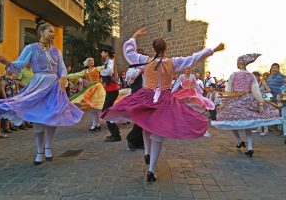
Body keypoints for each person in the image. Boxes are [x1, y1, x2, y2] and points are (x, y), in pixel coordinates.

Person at [101, 27, 224, 182]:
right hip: (164, 99)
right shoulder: (174, 62)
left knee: (146, 124)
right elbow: (194, 58)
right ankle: (151, 170)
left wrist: (134, 37)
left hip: (147, 96)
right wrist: (213, 49)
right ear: (166, 49)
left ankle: (147, 153)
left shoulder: (145, 61)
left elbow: (129, 53)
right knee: (157, 133)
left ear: (153, 49)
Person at [0, 22, 83, 165]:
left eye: (53, 31)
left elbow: (62, 68)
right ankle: (39, 151)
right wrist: (5, 61)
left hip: (54, 87)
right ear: (41, 33)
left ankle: (48, 147)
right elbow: (19, 65)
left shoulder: (56, 51)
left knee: (52, 116)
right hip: (38, 85)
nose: (53, 33)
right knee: (38, 119)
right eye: (50, 31)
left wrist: (62, 77)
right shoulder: (31, 48)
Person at [212, 53, 282, 157]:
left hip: (235, 100)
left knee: (229, 120)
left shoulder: (234, 74)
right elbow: (256, 91)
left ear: (239, 63)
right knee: (247, 124)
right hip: (248, 100)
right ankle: (249, 147)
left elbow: (228, 90)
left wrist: (224, 103)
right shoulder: (251, 75)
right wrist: (260, 103)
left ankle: (240, 141)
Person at [67, 57, 105, 131]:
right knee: (92, 108)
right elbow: (76, 75)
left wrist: (111, 59)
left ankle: (97, 123)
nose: (92, 61)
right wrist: (65, 75)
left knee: (97, 107)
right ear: (87, 62)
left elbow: (107, 66)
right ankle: (95, 124)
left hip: (98, 88)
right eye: (90, 60)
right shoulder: (85, 71)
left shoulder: (97, 68)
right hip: (90, 89)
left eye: (93, 60)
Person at [100, 47, 121, 142]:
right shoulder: (108, 62)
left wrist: (100, 72)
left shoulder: (110, 62)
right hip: (111, 90)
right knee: (107, 111)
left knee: (105, 111)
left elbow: (109, 72)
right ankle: (115, 134)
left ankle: (115, 134)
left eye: (102, 52)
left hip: (112, 90)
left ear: (106, 53)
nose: (101, 54)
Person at [252, 71, 272, 135]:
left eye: (257, 76)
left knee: (264, 114)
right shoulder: (253, 83)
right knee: (258, 114)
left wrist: (261, 91)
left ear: (259, 76)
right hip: (257, 99)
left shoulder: (262, 82)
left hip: (264, 99)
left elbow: (269, 89)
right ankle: (259, 129)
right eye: (254, 76)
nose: (256, 77)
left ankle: (266, 131)